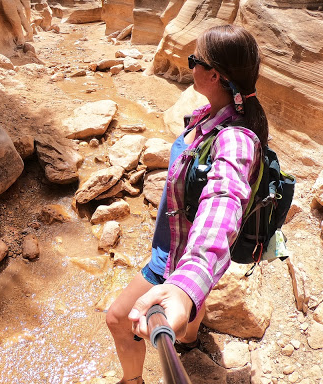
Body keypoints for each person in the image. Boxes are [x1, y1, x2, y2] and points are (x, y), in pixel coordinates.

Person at [106, 24, 268, 384]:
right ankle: (190, 338)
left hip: (178, 255)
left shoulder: (237, 139)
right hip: (185, 245)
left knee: (117, 319)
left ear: (214, 74)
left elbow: (223, 201)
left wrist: (184, 285)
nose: (188, 65)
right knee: (188, 309)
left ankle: (131, 381)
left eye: (194, 59)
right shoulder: (214, 113)